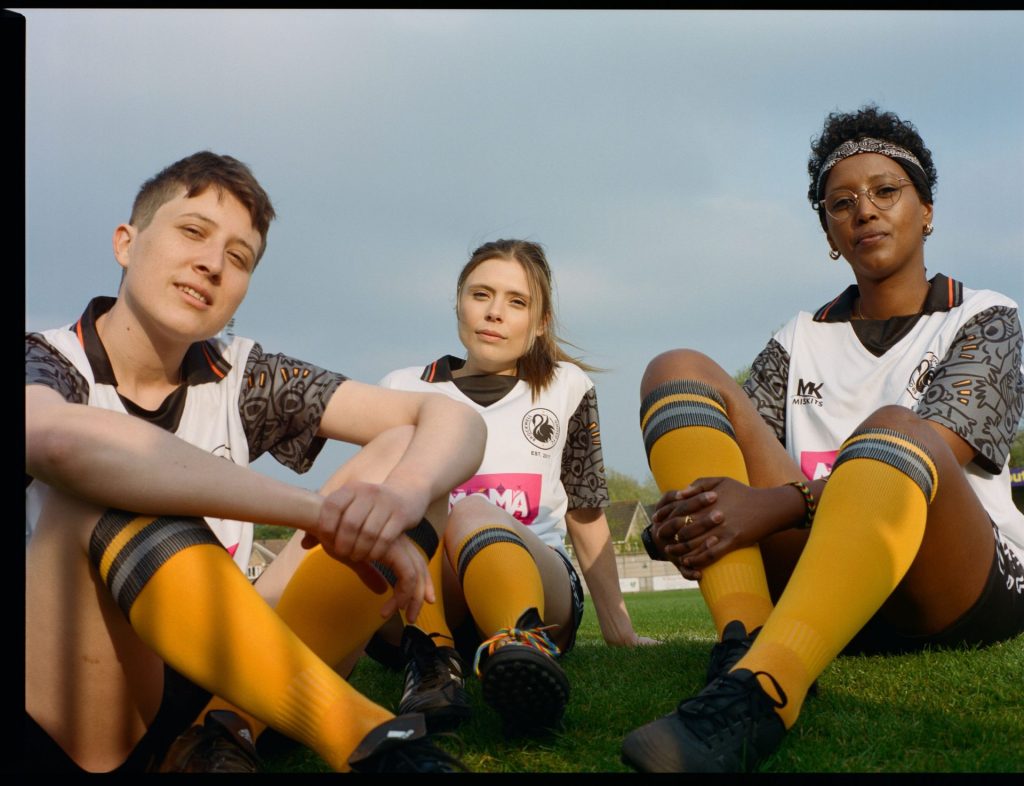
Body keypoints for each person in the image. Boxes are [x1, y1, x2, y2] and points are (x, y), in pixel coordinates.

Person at [25, 151, 489, 773]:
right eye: (193, 231)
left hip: (216, 666)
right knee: (91, 482)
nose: (212, 264)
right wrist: (320, 514)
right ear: (126, 244)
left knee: (413, 454)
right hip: (85, 691)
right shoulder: (45, 358)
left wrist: (401, 494)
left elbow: (454, 419)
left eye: (239, 258)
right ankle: (363, 736)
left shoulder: (242, 374)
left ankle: (224, 733)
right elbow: (55, 442)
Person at [620, 105, 1024, 772]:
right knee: (677, 368)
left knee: (895, 429)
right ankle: (741, 642)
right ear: (829, 234)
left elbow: (936, 453)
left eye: (886, 191)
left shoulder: (988, 316)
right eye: (842, 203)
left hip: (953, 583)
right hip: (824, 588)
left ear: (927, 211)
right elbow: (733, 472)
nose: (865, 210)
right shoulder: (797, 338)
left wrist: (778, 507)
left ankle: (767, 692)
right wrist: (689, 520)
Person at [369, 239, 658, 736]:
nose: (495, 312)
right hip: (424, 597)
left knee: (474, 510)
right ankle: (433, 661)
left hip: (541, 591)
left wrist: (618, 628)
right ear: (458, 302)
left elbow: (584, 513)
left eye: (516, 301)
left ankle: (521, 648)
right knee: (423, 482)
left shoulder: (566, 387)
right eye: (481, 294)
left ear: (541, 321)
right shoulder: (401, 387)